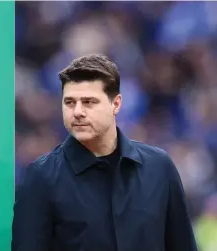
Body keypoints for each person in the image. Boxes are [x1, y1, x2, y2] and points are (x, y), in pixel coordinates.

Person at [11, 54, 198, 251]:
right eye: (69, 102)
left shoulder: (159, 167)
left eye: (89, 102)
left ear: (115, 104)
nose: (78, 112)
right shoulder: (42, 176)